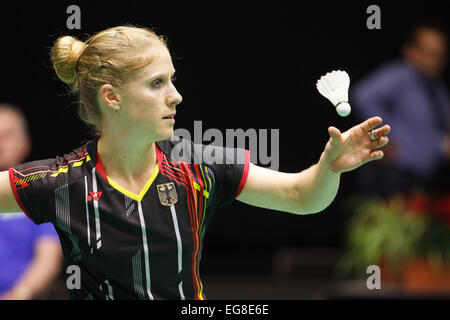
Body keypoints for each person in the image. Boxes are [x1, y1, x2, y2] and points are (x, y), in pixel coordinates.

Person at [0, 25, 390, 300]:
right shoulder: (60, 183)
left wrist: (329, 167)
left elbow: (301, 195)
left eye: (172, 79)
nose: (176, 96)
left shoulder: (197, 167)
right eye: (157, 83)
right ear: (111, 97)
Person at [351, 19, 450, 197]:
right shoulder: (400, 75)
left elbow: (434, 132)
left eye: (440, 54)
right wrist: (385, 136)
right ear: (411, 52)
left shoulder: (438, 89)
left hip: (424, 178)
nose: (435, 60)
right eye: (430, 53)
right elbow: (363, 96)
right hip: (393, 175)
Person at [0, 104, 62, 300]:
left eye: (7, 135)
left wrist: (19, 294)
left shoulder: (40, 196)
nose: (0, 142)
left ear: (24, 143)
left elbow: (48, 260)